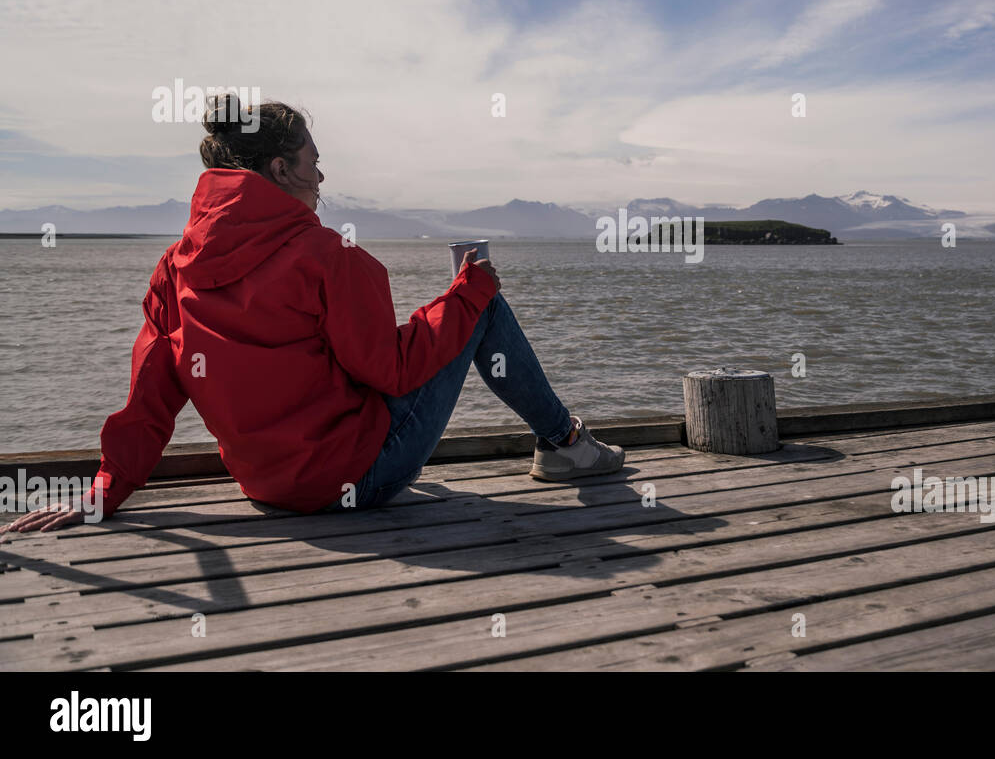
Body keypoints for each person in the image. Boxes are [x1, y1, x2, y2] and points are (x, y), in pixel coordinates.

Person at [3, 94, 624, 536]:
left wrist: (105, 489)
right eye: (313, 161)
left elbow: (150, 397)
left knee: (454, 308)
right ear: (280, 170)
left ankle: (563, 439)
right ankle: (566, 444)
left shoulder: (176, 265)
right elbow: (391, 370)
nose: (322, 175)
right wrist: (469, 290)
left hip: (268, 489)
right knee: (482, 305)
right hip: (356, 481)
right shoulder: (329, 254)